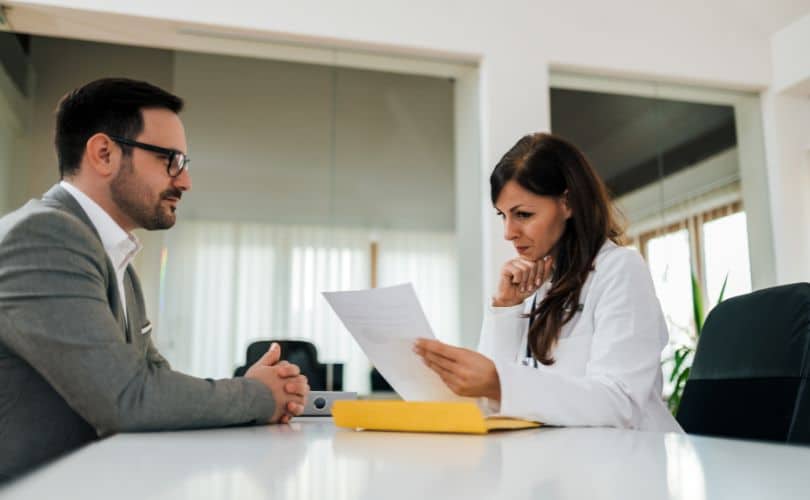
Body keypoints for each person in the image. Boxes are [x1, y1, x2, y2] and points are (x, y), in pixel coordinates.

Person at [0, 78, 310, 481]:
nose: (184, 181)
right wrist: (257, 394)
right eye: (170, 160)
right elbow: (126, 397)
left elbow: (154, 381)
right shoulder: (42, 236)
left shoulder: (114, 257)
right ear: (104, 153)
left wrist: (256, 390)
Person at [414, 133, 681, 432]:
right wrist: (505, 310)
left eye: (523, 214)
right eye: (503, 216)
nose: (509, 232)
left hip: (631, 460)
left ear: (567, 203)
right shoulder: (534, 284)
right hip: (562, 460)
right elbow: (488, 402)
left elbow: (620, 403)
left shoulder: (620, 270)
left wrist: (501, 383)